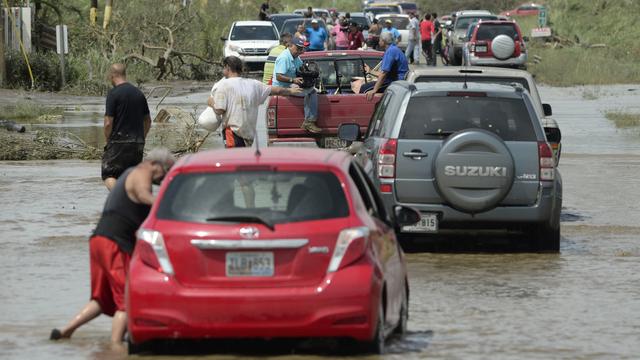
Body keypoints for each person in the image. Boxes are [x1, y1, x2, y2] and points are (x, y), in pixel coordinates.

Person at [50, 148, 176, 343]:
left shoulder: (129, 174)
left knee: (102, 299)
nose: (165, 178)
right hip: (114, 243)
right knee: (127, 301)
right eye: (166, 171)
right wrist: (168, 207)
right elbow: (143, 195)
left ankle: (64, 331)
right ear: (154, 164)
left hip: (99, 240)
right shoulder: (140, 172)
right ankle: (116, 347)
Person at [212, 56, 301, 148]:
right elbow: (276, 90)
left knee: (234, 161)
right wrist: (290, 91)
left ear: (227, 67)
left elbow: (220, 110)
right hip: (248, 135)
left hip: (232, 132)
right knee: (244, 160)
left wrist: (211, 103)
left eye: (223, 67)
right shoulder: (254, 84)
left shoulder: (223, 85)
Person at [101, 63, 151, 191]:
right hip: (137, 143)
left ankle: (121, 198)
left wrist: (108, 140)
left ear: (112, 75)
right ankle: (133, 203)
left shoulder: (114, 94)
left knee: (109, 174)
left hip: (118, 142)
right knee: (131, 175)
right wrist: (142, 137)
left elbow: (108, 123)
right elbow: (148, 121)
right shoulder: (139, 94)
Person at [273, 36, 321, 134]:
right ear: (290, 46)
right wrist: (293, 80)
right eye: (298, 48)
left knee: (312, 89)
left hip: (290, 85)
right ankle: (309, 121)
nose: (300, 51)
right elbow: (279, 76)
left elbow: (301, 70)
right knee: (311, 92)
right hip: (281, 88)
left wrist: (310, 74)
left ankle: (308, 121)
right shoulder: (284, 57)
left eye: (301, 48)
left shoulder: (296, 57)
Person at [361, 31, 409, 100]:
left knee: (364, 88)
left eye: (380, 39)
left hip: (397, 82)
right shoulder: (393, 49)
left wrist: (374, 90)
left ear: (384, 41)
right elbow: (383, 73)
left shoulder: (391, 51)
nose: (379, 41)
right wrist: (370, 71)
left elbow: (384, 74)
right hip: (394, 80)